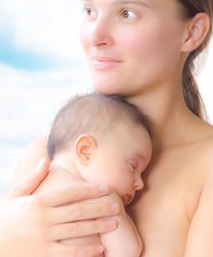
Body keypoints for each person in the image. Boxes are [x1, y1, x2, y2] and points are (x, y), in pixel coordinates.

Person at [0, 0, 213, 256]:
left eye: (126, 13)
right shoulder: (45, 157)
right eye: (90, 11)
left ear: (192, 32)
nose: (95, 36)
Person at [37, 93, 152, 257]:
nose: (140, 183)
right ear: (86, 151)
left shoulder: (32, 187)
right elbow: (128, 251)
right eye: (132, 166)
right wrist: (119, 211)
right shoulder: (101, 199)